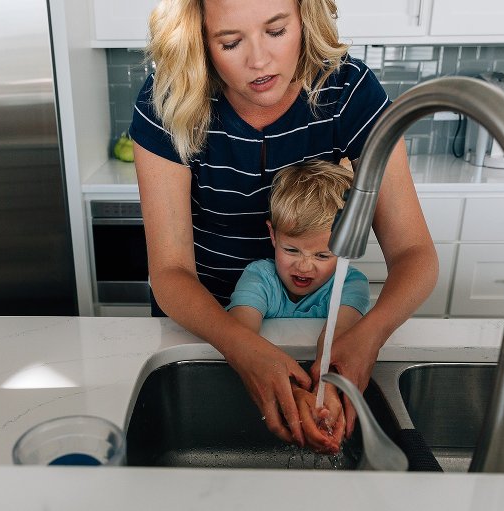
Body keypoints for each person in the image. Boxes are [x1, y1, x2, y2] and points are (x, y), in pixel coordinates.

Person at [130, 0, 438, 450]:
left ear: (303, 18)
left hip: (318, 329)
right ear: (201, 41)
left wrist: (367, 335)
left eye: (276, 31)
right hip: (204, 329)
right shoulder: (168, 100)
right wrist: (241, 346)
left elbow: (414, 254)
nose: (259, 61)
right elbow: (170, 272)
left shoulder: (347, 92)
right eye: (230, 42)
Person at [226, 160, 368, 453]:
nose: (304, 266)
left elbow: (338, 337)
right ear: (273, 235)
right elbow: (240, 332)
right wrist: (294, 395)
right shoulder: (259, 278)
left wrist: (327, 391)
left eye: (322, 255)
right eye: (291, 250)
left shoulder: (351, 284)